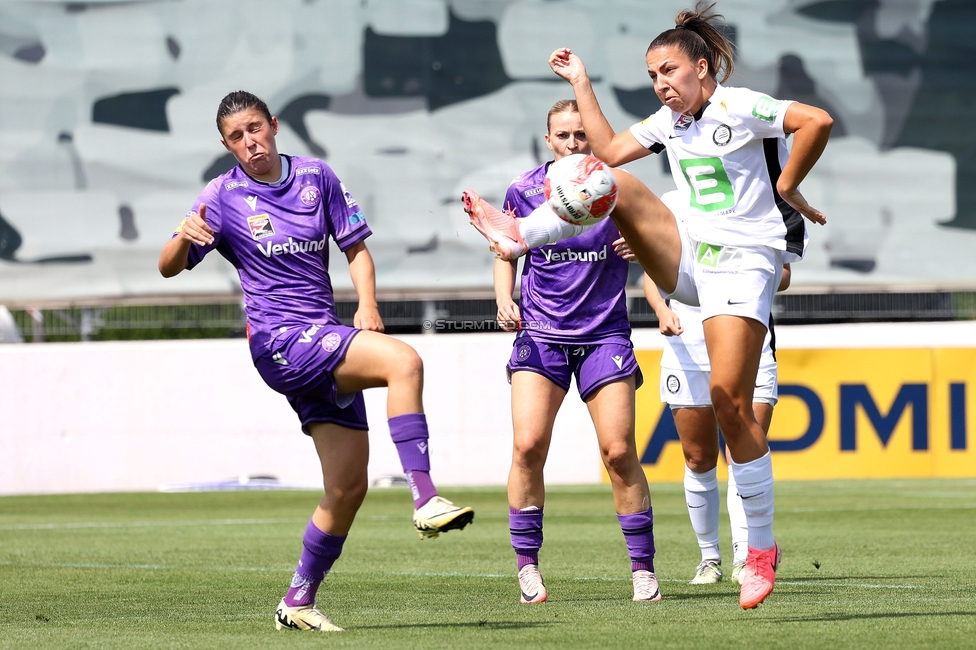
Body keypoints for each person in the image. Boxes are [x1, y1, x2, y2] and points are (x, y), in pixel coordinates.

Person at [463, 1, 832, 609]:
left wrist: (788, 184)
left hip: (745, 262)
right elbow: (604, 153)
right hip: (690, 260)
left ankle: (759, 550)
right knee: (610, 177)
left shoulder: (740, 106)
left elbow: (815, 120)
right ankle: (519, 235)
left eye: (670, 71)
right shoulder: (671, 122)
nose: (662, 85)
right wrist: (581, 83)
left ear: (704, 66)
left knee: (728, 404)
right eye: (653, 75)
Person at [159, 90, 474, 633]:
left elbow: (356, 248)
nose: (249, 142)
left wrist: (368, 307)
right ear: (226, 145)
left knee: (347, 489)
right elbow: (168, 267)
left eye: (255, 128)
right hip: (280, 343)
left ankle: (297, 601)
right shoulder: (223, 194)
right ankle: (424, 497)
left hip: (324, 334)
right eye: (236, 137)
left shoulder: (316, 177)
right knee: (404, 362)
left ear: (274, 125)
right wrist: (180, 238)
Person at [498, 100, 660, 604]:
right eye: (563, 136)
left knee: (618, 451)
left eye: (580, 135)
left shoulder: (615, 189)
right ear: (549, 141)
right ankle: (527, 567)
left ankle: (643, 570)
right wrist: (504, 296)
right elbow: (506, 247)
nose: (573, 143)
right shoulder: (524, 190)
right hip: (542, 334)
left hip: (604, 334)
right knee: (528, 447)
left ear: (592, 138)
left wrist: (644, 246)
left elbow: (662, 238)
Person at [640, 211, 790, 584]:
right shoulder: (673, 203)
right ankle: (709, 558)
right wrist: (661, 310)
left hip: (746, 342)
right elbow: (652, 275)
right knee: (698, 457)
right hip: (686, 346)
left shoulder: (752, 196)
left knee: (740, 450)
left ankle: (748, 555)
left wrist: (743, 265)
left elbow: (784, 274)